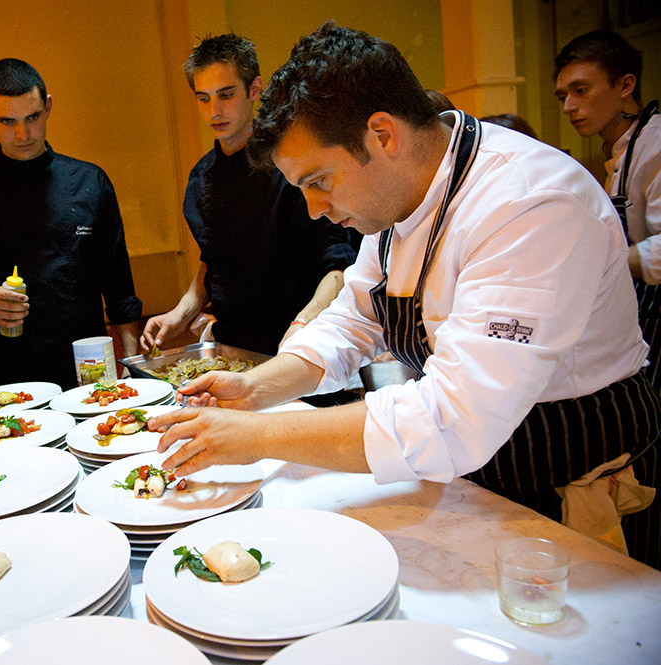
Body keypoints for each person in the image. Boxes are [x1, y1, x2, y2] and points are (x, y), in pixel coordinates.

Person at [151, 22, 661, 569]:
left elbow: (454, 417)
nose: (314, 210)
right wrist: (253, 390)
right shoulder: (396, 200)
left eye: (318, 181)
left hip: (573, 480)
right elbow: (352, 319)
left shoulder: (531, 203)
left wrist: (255, 435)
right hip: (477, 475)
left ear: (383, 135)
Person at [0, 58, 142, 389]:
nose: (23, 134)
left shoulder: (89, 182)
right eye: (8, 121)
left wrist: (133, 364)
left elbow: (118, 285)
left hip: (85, 368)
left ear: (48, 106)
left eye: (33, 118)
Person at [139, 34, 356, 358]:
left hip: (300, 345)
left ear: (254, 89)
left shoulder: (291, 165)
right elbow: (212, 261)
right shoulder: (202, 177)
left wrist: (302, 328)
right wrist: (180, 313)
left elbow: (337, 269)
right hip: (233, 349)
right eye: (203, 98)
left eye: (225, 95)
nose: (215, 110)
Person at [554, 30, 661, 389]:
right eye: (563, 96)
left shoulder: (656, 144)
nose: (569, 106)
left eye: (580, 91)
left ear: (625, 85)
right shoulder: (619, 150)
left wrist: (602, 262)